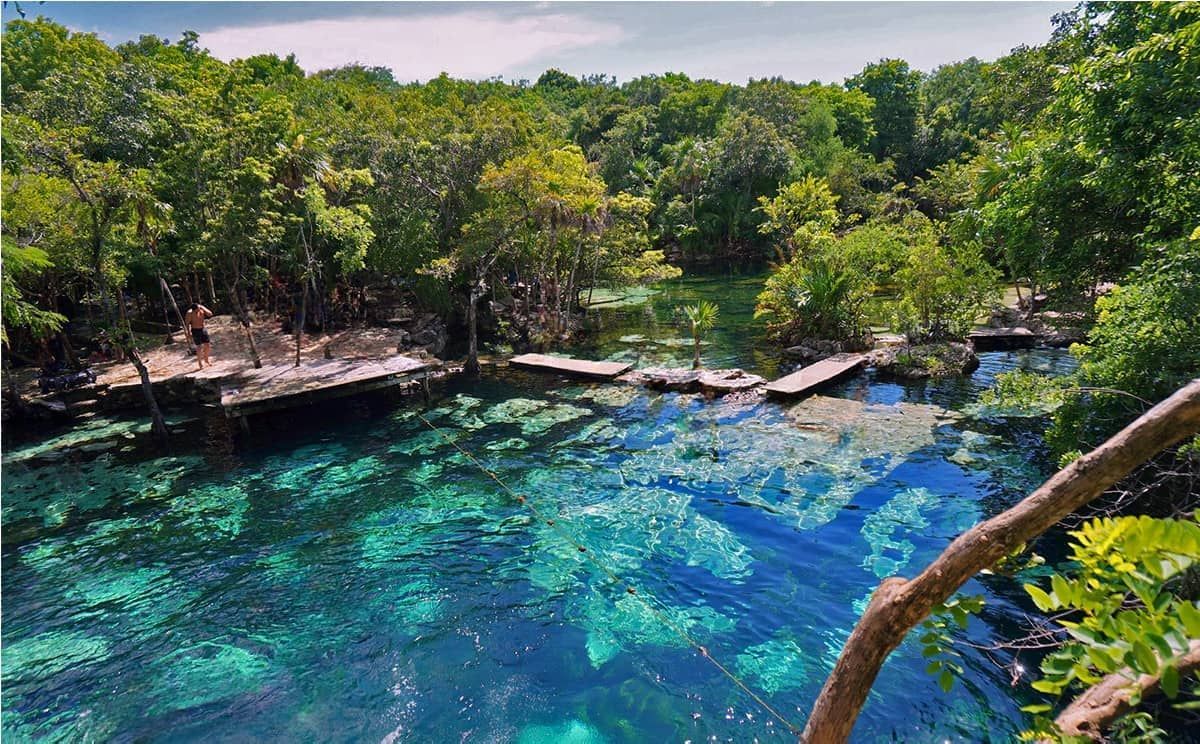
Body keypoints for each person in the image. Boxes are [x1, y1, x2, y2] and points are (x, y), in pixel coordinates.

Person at [185, 301, 214, 369]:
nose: (199, 310)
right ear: (194, 310)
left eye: (199, 308)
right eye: (197, 309)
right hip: (195, 330)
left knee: (207, 345)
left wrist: (203, 307)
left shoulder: (201, 309)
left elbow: (210, 314)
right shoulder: (189, 313)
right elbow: (187, 324)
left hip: (203, 329)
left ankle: (206, 360)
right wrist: (188, 333)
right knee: (199, 347)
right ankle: (200, 363)